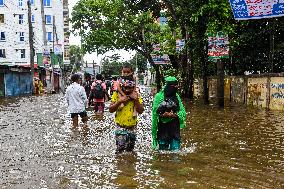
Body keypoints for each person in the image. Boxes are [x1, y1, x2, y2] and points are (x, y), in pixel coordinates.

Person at [109, 77, 144, 154]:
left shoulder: (136, 95)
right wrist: (119, 101)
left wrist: (136, 100)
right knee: (120, 148)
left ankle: (129, 164)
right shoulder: (117, 94)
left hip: (132, 126)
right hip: (120, 126)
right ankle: (119, 164)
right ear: (122, 87)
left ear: (133, 87)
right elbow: (110, 109)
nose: (127, 90)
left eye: (130, 88)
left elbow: (141, 111)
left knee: (130, 149)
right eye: (126, 87)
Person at [152, 76, 186, 151]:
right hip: (162, 130)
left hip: (175, 129)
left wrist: (175, 115)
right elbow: (155, 114)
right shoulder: (159, 96)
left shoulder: (177, 96)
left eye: (175, 86)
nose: (174, 88)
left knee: (176, 153)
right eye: (172, 85)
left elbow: (183, 112)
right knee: (162, 154)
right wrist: (162, 115)